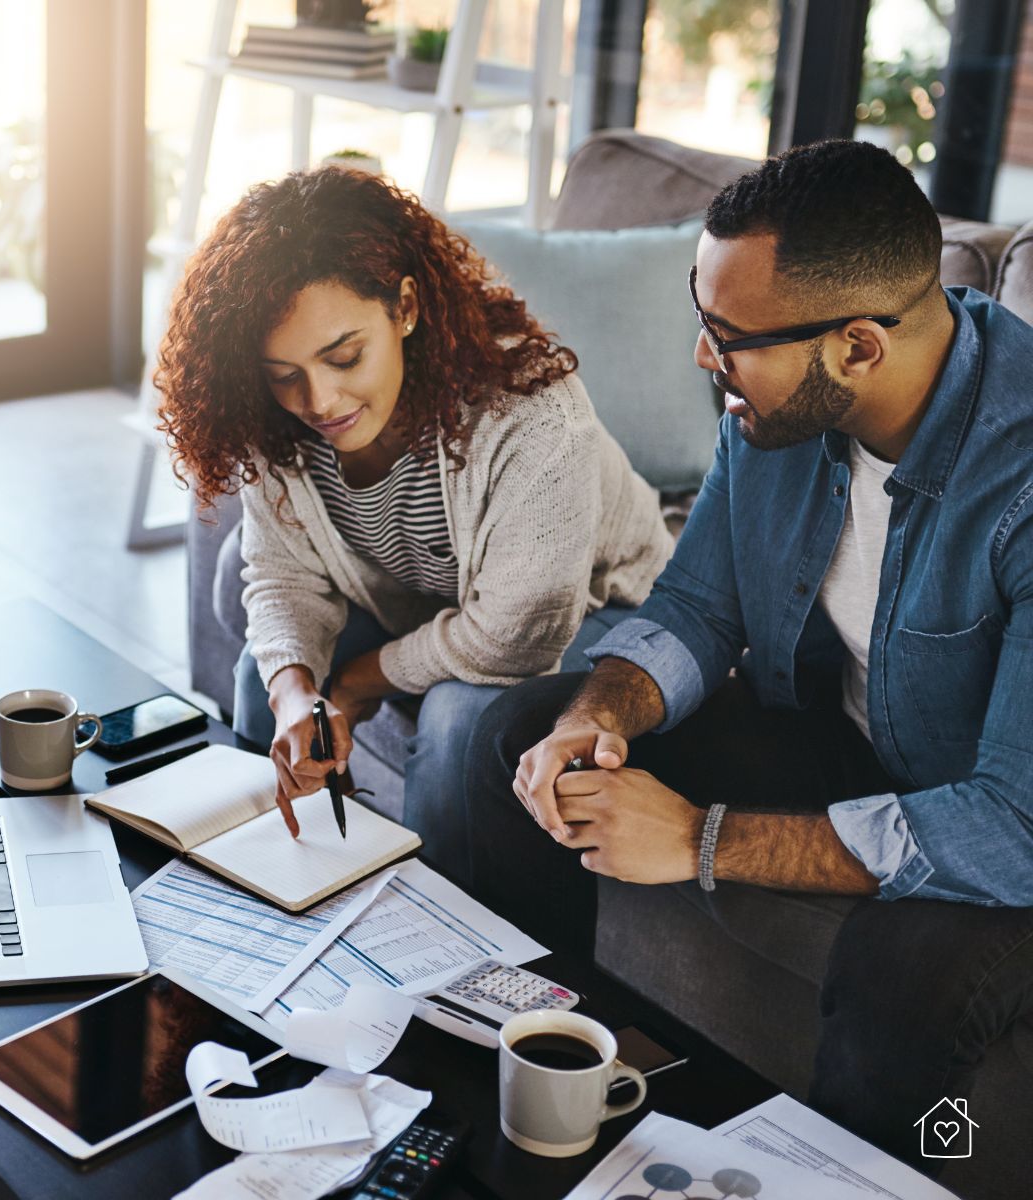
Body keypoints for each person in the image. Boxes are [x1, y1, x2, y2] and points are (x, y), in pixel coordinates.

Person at [466, 138, 1033, 1167]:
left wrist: (702, 839)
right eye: (701, 314)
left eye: (727, 334)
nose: (700, 355)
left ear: (860, 346)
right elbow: (697, 607)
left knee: (903, 979)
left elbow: (1010, 824)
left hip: (999, 826)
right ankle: (530, 1104)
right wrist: (599, 718)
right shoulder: (776, 407)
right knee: (514, 735)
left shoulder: (1022, 480)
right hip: (846, 745)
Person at [155, 166, 673, 880]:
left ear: (404, 307)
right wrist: (297, 694)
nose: (320, 399)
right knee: (261, 677)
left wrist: (356, 684)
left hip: (599, 606)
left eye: (344, 357)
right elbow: (278, 571)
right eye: (285, 373)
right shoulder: (277, 416)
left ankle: (451, 953)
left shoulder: (534, 417)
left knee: (461, 723)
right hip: (429, 599)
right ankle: (273, 890)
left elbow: (510, 635)